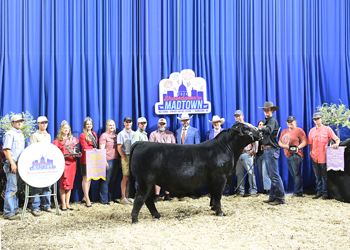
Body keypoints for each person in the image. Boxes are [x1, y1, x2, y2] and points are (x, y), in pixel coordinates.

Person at [258, 101, 285, 206]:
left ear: (272, 110)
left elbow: (268, 130)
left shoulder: (272, 121)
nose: (266, 111)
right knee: (272, 175)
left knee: (274, 175)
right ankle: (273, 196)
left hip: (271, 150)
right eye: (265, 110)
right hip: (268, 149)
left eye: (268, 110)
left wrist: (259, 129)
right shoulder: (268, 121)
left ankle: (281, 198)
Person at [308, 112, 339, 200]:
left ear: (321, 119)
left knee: (324, 176)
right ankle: (318, 192)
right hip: (315, 157)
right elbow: (310, 143)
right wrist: (311, 152)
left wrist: (336, 144)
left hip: (324, 157)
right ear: (313, 120)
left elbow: (336, 139)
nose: (316, 120)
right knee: (317, 177)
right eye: (315, 119)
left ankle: (325, 193)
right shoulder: (312, 131)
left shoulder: (327, 129)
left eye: (318, 118)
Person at [52, 120, 81, 210]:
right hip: (63, 164)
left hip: (72, 163)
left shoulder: (74, 140)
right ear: (61, 129)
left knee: (70, 184)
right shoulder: (58, 141)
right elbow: (53, 153)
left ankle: (68, 203)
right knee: (64, 183)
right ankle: (63, 204)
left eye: (67, 128)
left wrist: (78, 154)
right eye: (64, 128)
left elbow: (78, 152)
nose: (66, 129)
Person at [2, 115, 25, 220]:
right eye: (17, 122)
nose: (19, 123)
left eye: (20, 121)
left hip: (19, 163)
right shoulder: (10, 134)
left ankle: (14, 210)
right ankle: (8, 212)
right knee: (11, 189)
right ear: (12, 123)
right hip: (12, 163)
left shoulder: (21, 134)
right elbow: (6, 150)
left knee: (16, 188)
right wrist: (12, 163)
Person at [278, 116, 307, 197]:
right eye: (288, 122)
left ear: (295, 122)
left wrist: (298, 148)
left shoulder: (299, 130)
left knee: (297, 175)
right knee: (294, 175)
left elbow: (304, 141)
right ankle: (298, 191)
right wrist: (285, 146)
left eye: (291, 121)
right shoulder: (284, 131)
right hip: (287, 154)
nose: (290, 123)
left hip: (295, 154)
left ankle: (298, 192)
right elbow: (279, 142)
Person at [29, 116, 53, 216]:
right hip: (38, 163)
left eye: (45, 123)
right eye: (42, 123)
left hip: (46, 163)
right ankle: (35, 207)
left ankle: (46, 205)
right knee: (37, 185)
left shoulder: (48, 135)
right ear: (38, 124)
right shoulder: (34, 135)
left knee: (48, 185)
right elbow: (32, 149)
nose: (44, 124)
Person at [149, 118, 175, 201]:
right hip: (157, 159)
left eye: (163, 124)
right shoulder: (153, 134)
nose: (162, 125)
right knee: (157, 177)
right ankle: (157, 195)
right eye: (160, 124)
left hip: (169, 159)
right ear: (158, 125)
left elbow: (174, 147)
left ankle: (167, 195)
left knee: (168, 177)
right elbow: (151, 147)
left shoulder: (171, 134)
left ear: (166, 125)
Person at [175, 113, 201, 198]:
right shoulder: (178, 131)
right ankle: (182, 192)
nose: (185, 121)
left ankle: (193, 192)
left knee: (192, 174)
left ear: (189, 120)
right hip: (180, 156)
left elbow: (197, 144)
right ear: (181, 121)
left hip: (191, 156)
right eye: (183, 120)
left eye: (186, 120)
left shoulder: (195, 130)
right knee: (181, 174)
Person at [233, 110, 258, 197]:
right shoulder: (234, 128)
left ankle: (253, 190)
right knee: (239, 173)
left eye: (239, 116)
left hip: (247, 153)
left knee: (250, 173)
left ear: (242, 116)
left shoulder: (248, 126)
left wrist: (254, 151)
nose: (237, 118)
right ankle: (241, 191)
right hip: (238, 154)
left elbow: (255, 139)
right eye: (236, 116)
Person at [99, 119, 119, 205]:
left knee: (112, 180)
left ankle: (111, 198)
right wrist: (104, 161)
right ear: (107, 126)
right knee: (105, 181)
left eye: (113, 125)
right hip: (108, 160)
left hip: (116, 160)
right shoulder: (104, 136)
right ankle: (104, 200)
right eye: (110, 125)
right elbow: (101, 149)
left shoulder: (117, 136)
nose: (112, 127)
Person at [79, 116, 98, 207]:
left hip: (93, 158)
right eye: (87, 124)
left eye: (90, 124)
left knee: (89, 178)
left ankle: (84, 197)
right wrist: (94, 149)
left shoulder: (94, 133)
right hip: (86, 159)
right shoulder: (83, 135)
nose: (89, 125)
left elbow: (96, 145)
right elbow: (85, 147)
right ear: (85, 125)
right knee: (85, 179)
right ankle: (87, 199)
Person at [117, 116, 135, 205]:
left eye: (129, 122)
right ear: (124, 123)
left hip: (134, 156)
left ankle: (128, 196)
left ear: (132, 123)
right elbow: (119, 147)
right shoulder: (121, 134)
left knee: (131, 177)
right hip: (126, 156)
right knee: (125, 177)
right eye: (126, 122)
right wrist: (123, 157)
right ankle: (123, 197)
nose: (128, 123)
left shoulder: (134, 133)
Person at [256, 120, 271, 195]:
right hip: (258, 155)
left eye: (262, 124)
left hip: (265, 154)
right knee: (260, 173)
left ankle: (268, 189)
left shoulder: (267, 134)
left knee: (265, 173)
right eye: (259, 124)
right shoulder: (256, 135)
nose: (260, 126)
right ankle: (264, 189)